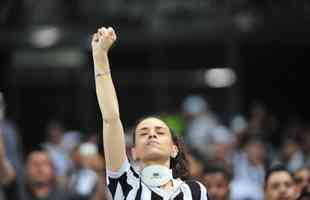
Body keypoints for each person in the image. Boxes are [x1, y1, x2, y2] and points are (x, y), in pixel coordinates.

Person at [91, 26, 208, 199]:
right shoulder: (126, 184)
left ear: (174, 149)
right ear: (134, 152)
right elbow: (111, 119)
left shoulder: (196, 191)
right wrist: (100, 56)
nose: (152, 135)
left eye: (160, 132)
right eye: (143, 133)